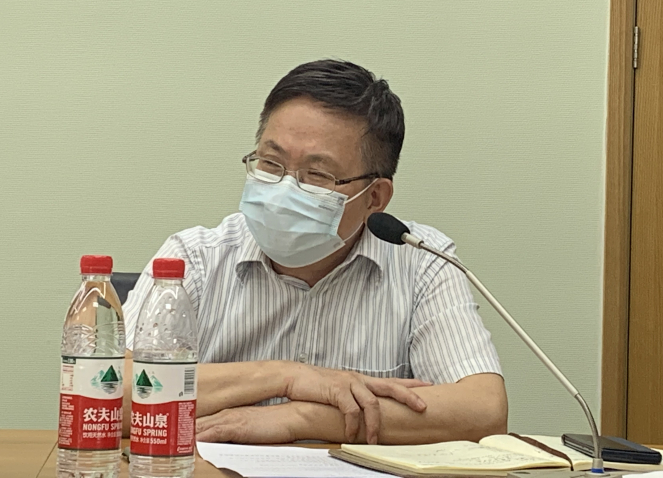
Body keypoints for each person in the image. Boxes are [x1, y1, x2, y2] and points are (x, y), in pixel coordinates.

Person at [122, 59, 507, 444]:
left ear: (374, 197)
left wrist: (303, 417)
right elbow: (109, 391)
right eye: (270, 163)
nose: (284, 189)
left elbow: (484, 412)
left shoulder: (421, 262)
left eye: (317, 175)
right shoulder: (195, 257)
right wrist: (286, 377)